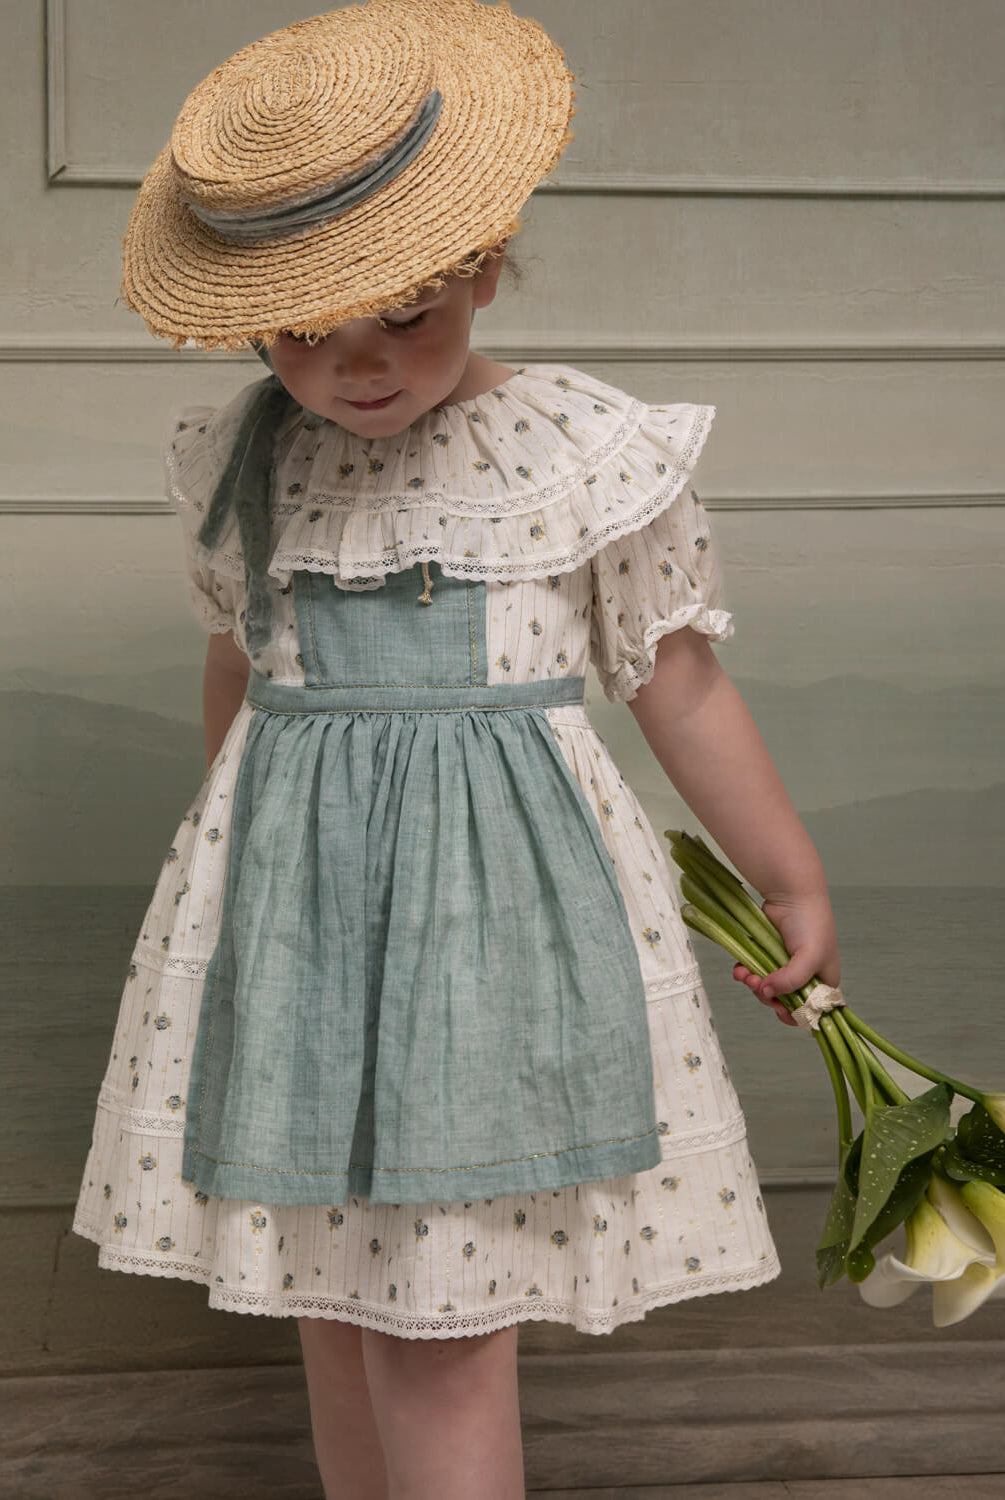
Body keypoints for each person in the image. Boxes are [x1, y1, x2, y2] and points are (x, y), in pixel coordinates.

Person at [71, 3, 841, 1496]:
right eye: (306, 333)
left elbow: (671, 680)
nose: (357, 370)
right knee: (328, 1296)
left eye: (406, 318)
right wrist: (229, 895)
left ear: (485, 266)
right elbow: (242, 670)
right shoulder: (248, 454)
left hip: (485, 931)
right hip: (294, 929)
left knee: (437, 1322)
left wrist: (786, 873)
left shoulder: (567, 450)